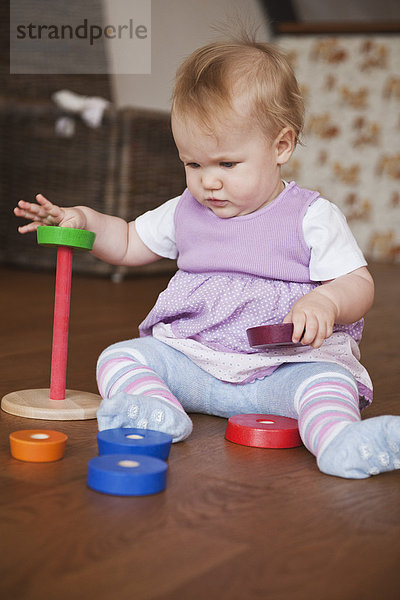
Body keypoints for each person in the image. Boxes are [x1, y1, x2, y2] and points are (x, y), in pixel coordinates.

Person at [15, 36, 400, 479]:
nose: (207, 183)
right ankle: (155, 411)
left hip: (283, 367)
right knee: (119, 357)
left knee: (329, 384)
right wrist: (81, 218)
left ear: (281, 147)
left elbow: (358, 283)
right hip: (194, 360)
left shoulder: (311, 216)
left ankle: (339, 442)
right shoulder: (185, 209)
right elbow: (124, 240)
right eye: (193, 164)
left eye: (226, 164)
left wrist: (327, 303)